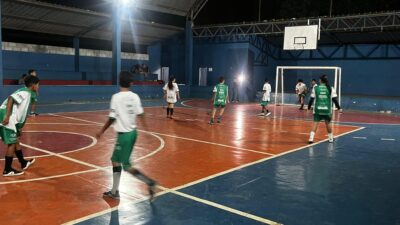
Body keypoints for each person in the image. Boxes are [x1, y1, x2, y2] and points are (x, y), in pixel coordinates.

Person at [96, 71, 157, 201]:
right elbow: (141, 114)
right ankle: (115, 191)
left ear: (119, 82)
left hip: (124, 136)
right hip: (133, 133)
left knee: (126, 166)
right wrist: (147, 130)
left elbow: (112, 118)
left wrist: (101, 131)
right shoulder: (135, 97)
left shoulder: (116, 97)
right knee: (115, 160)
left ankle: (149, 182)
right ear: (131, 83)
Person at [0, 75, 39, 176]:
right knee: (12, 143)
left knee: (16, 140)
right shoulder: (25, 93)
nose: (39, 87)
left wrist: (19, 127)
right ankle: (7, 170)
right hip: (7, 115)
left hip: (12, 118)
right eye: (38, 84)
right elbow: (10, 99)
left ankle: (23, 162)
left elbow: (21, 113)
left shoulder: (27, 92)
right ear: (33, 85)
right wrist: (7, 116)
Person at [308, 75, 334, 144]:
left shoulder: (316, 88)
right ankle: (331, 138)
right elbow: (335, 99)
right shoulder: (330, 88)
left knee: (315, 123)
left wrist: (308, 107)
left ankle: (311, 138)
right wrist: (339, 108)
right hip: (327, 110)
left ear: (320, 80)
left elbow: (311, 99)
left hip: (317, 109)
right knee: (328, 123)